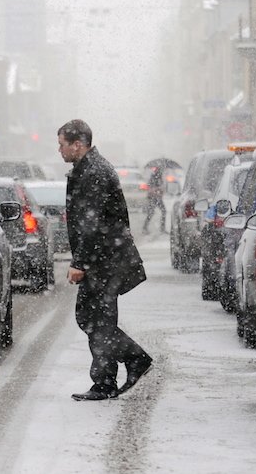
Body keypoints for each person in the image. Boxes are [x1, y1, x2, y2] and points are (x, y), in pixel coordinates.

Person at [58, 119, 153, 401]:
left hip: (106, 260)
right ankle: (106, 381)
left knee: (93, 318)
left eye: (62, 144)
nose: (58, 150)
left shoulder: (94, 172)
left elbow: (92, 223)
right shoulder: (88, 169)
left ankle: (131, 362)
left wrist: (80, 263)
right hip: (106, 259)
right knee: (96, 319)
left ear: (78, 144)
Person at [142, 165, 166, 234]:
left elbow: (160, 188)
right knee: (151, 213)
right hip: (153, 197)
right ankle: (145, 228)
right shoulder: (154, 177)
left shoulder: (159, 177)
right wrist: (157, 190)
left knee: (159, 212)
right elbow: (151, 187)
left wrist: (161, 190)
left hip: (157, 198)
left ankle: (161, 228)